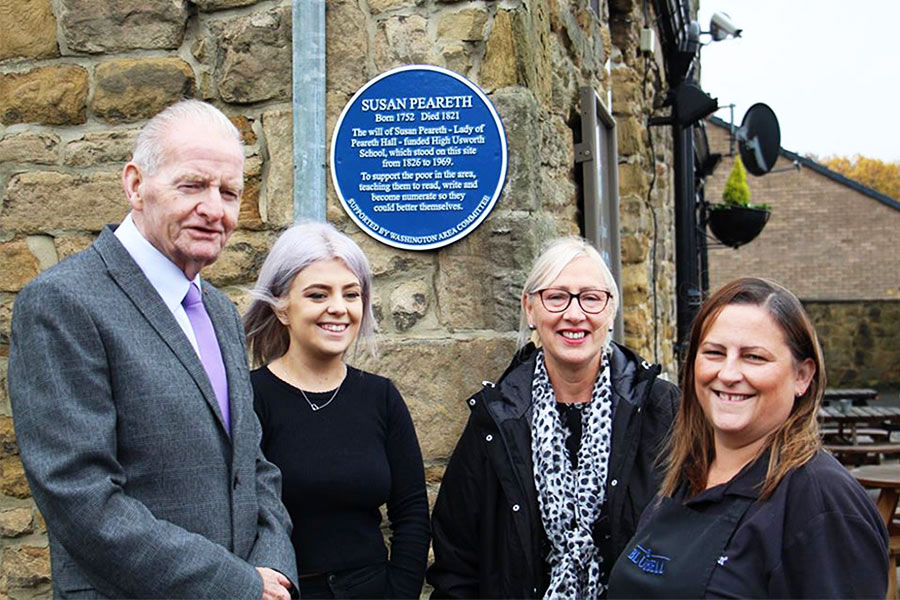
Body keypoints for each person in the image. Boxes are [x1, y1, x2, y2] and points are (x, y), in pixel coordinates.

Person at [8, 100, 297, 599]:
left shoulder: (221, 312)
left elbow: (252, 465)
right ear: (135, 184)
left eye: (229, 192)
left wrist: (274, 567)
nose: (214, 209)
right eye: (192, 185)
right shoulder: (63, 302)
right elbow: (80, 497)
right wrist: (235, 585)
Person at [426, 236, 679, 599]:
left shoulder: (660, 407)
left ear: (610, 312)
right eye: (557, 297)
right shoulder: (498, 418)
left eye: (591, 298)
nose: (574, 314)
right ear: (530, 309)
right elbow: (457, 558)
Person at [607, 277, 889, 598]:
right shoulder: (682, 476)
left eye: (753, 357)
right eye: (714, 352)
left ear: (802, 376)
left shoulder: (822, 503)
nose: (728, 374)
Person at [243, 221, 430, 599]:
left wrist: (399, 593)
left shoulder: (381, 398)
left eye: (351, 294)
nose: (338, 309)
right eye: (317, 295)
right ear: (281, 307)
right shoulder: (249, 398)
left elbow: (411, 513)